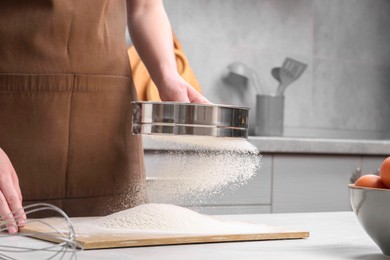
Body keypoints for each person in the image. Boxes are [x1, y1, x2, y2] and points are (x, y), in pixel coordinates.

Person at [0, 0, 208, 234]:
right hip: (10, 128)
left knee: (123, 241)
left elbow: (145, 8)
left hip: (107, 129)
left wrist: (167, 76)